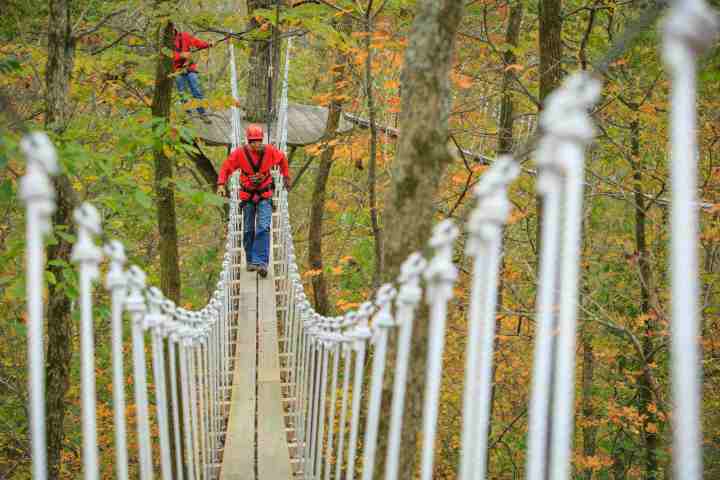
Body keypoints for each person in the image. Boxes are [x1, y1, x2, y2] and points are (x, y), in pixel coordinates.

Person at [217, 124, 291, 278]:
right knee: (248, 229)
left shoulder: (270, 151)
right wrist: (221, 184)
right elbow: (226, 167)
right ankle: (250, 260)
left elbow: (282, 159)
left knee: (263, 227)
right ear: (248, 142)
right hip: (247, 196)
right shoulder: (239, 154)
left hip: (265, 194)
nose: (257, 144)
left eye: (259, 140)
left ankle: (261, 263)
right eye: (253, 141)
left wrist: (286, 176)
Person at [173, 27, 213, 123]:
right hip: (177, 69)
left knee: (196, 90)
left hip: (190, 68)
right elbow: (166, 56)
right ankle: (186, 115)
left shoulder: (184, 36)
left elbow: (197, 43)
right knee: (182, 92)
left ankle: (202, 114)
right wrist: (180, 55)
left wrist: (208, 44)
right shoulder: (166, 42)